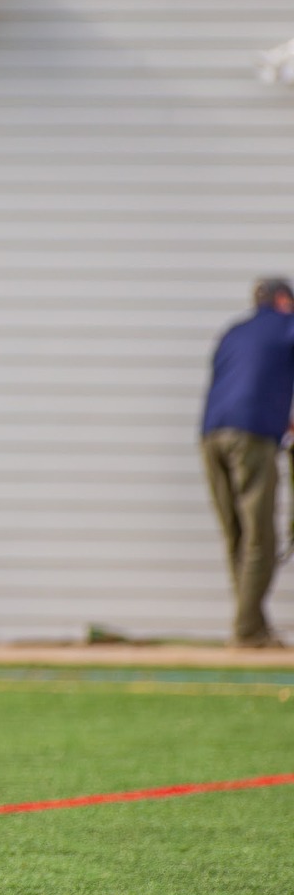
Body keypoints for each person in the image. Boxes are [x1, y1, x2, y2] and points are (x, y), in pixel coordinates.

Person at [200, 277, 294, 647]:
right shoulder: (286, 325)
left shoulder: (233, 333)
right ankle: (248, 630)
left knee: (236, 533)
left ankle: (250, 624)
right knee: (260, 536)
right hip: (250, 436)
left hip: (210, 435)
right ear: (284, 300)